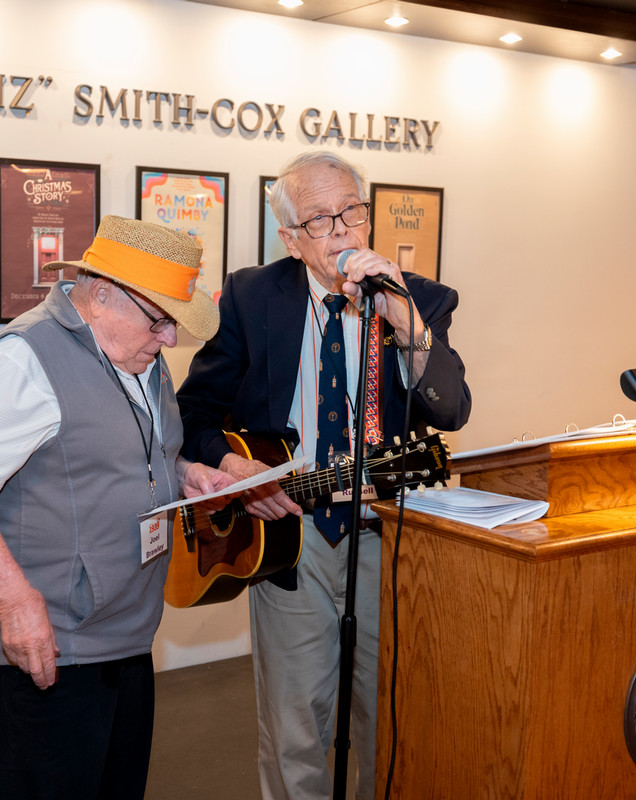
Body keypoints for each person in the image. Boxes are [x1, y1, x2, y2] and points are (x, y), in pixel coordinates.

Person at [177, 151, 472, 800]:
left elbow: (451, 410)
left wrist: (401, 318)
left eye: (352, 212)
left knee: (389, 721)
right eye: (319, 219)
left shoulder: (418, 298)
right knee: (295, 726)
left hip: (389, 537)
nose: (341, 230)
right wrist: (231, 466)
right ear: (290, 238)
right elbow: (192, 413)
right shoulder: (254, 296)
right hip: (292, 539)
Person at [0, 215, 236, 800]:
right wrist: (15, 604)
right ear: (102, 295)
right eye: (162, 320)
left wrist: (187, 472)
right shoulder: (22, 359)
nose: (171, 340)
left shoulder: (137, 352)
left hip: (128, 634)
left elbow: (132, 454)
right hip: (49, 647)